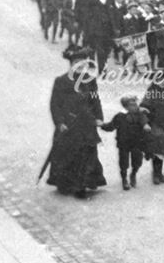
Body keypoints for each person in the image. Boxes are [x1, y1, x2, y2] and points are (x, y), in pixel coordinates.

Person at [47, 47, 107, 197]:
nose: (79, 65)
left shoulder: (90, 80)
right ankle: (64, 183)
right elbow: (55, 104)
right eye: (76, 62)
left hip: (86, 124)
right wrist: (59, 122)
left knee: (86, 155)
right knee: (66, 155)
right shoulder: (61, 81)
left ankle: (82, 186)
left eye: (82, 62)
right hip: (68, 125)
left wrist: (99, 117)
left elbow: (95, 101)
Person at [99, 94, 150, 190]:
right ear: (126, 106)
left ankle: (133, 174)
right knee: (123, 163)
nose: (135, 106)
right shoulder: (120, 116)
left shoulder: (139, 114)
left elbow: (144, 121)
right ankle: (124, 180)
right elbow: (111, 126)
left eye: (135, 104)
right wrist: (102, 125)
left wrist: (145, 125)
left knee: (137, 161)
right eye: (132, 105)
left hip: (137, 142)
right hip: (124, 143)